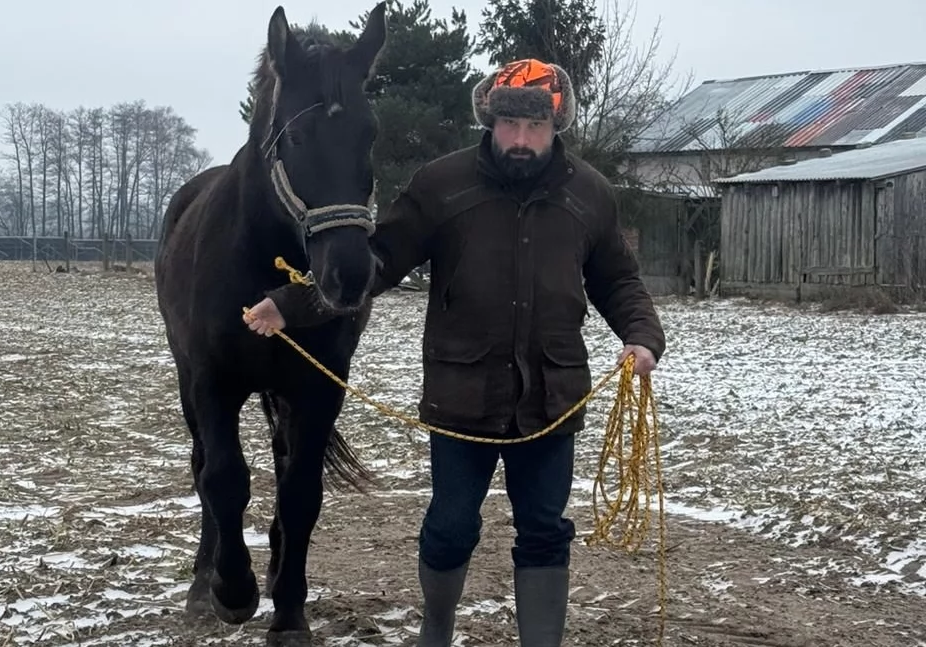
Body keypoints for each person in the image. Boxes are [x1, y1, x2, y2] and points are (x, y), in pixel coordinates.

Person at [243, 58, 666, 647]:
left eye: (534, 127)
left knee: (544, 530)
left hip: (553, 396)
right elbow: (381, 259)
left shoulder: (589, 195)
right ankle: (436, 630)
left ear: (556, 124)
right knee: (449, 527)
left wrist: (642, 336)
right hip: (463, 395)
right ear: (489, 120)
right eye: (508, 124)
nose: (520, 139)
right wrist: (294, 302)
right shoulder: (442, 184)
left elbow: (618, 280)